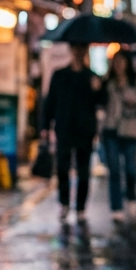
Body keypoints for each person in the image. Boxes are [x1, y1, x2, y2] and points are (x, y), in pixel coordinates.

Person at [42, 44, 104, 224]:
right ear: (71, 51)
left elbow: (101, 102)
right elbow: (50, 102)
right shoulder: (60, 75)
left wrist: (98, 89)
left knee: (84, 170)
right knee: (63, 167)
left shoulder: (92, 77)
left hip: (85, 130)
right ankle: (64, 203)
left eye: (81, 50)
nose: (78, 53)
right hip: (64, 128)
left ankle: (81, 207)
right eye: (76, 49)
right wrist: (45, 126)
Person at [99, 50, 136, 221]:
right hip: (110, 129)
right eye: (116, 61)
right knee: (113, 170)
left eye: (122, 61)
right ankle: (116, 207)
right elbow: (99, 103)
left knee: (131, 169)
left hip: (130, 129)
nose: (119, 64)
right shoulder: (107, 81)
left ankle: (131, 196)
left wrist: (135, 99)